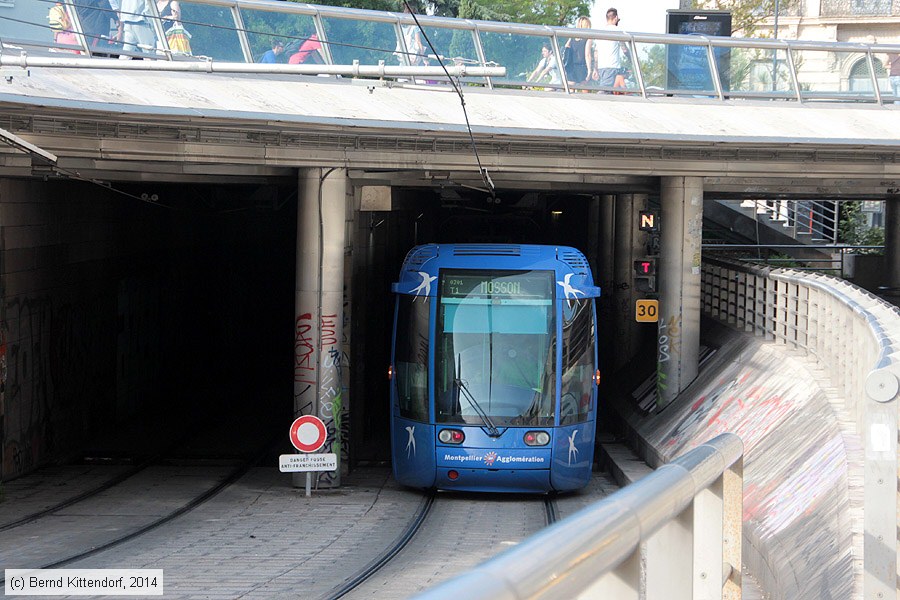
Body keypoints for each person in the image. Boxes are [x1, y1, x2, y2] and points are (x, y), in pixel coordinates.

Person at [591, 7, 622, 91]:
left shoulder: (600, 31)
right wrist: (631, 58)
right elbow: (625, 49)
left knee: (609, 91)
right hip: (612, 66)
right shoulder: (618, 31)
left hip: (601, 67)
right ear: (615, 18)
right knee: (605, 92)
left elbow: (596, 53)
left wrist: (595, 69)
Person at [564, 16, 592, 88]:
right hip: (582, 66)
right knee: (584, 88)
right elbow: (587, 55)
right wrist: (589, 70)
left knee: (570, 88)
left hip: (571, 66)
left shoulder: (573, 37)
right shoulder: (588, 38)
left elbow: (566, 47)